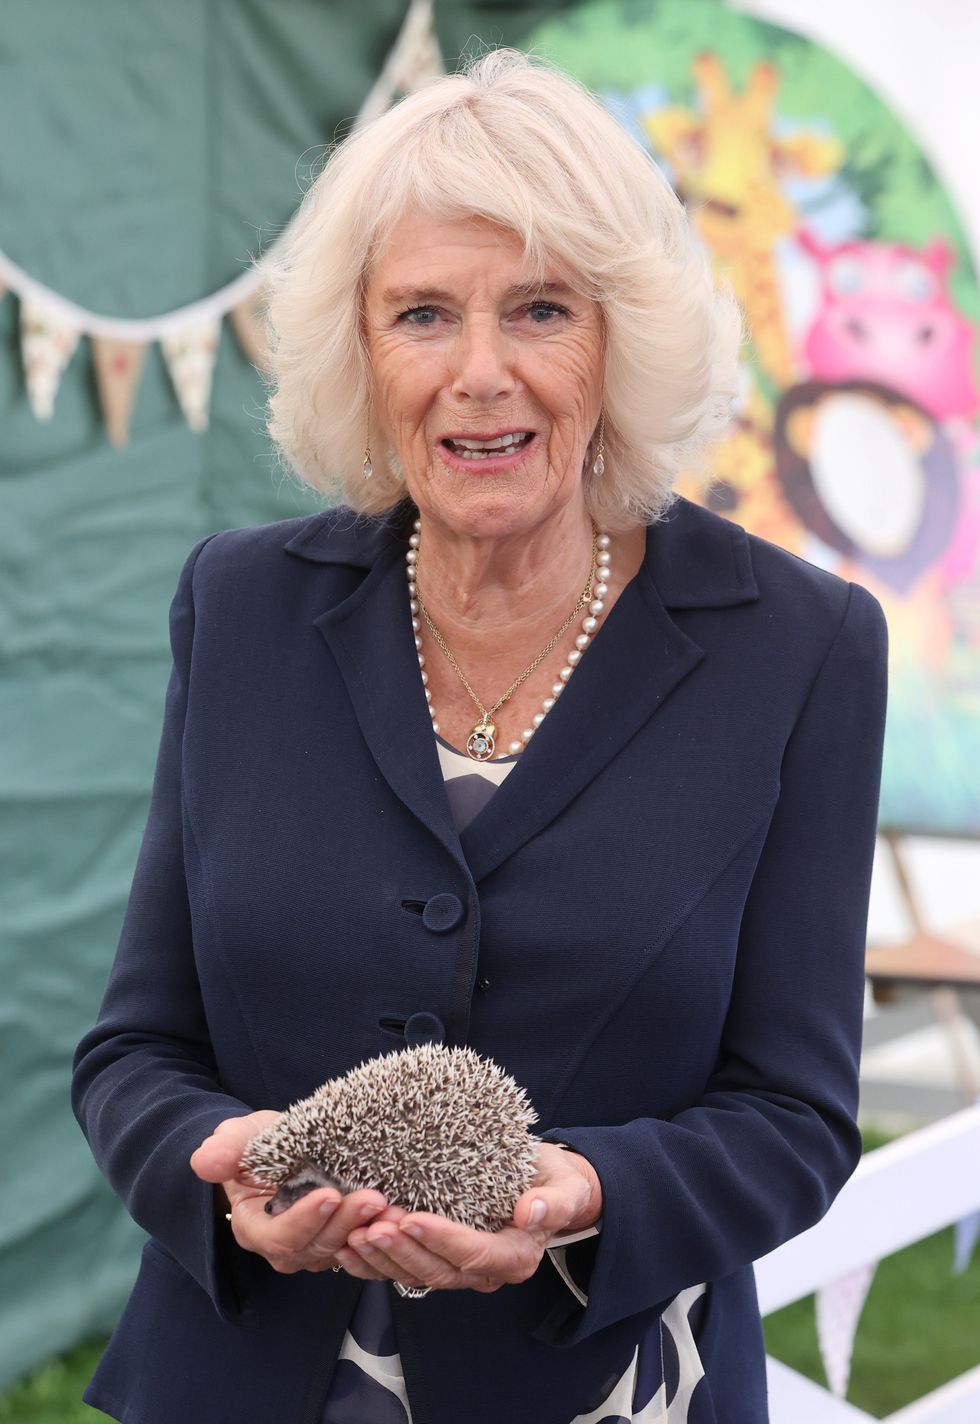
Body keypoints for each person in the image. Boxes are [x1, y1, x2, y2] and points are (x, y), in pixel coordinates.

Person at [71, 48, 888, 1424]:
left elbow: (795, 1113)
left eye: (542, 310)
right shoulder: (243, 605)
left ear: (623, 338)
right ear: (361, 347)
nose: (482, 375)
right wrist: (227, 1169)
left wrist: (582, 1193)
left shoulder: (798, 647)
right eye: (425, 315)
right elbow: (135, 1048)